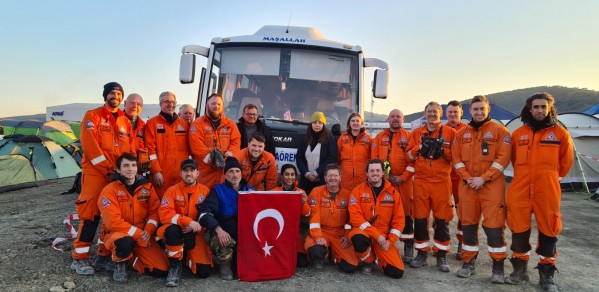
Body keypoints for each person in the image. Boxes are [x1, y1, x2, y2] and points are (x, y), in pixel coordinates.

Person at [505, 93, 574, 291]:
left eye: (544, 107)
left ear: (550, 109)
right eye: (536, 107)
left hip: (547, 188)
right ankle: (520, 270)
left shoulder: (561, 134)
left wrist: (550, 178)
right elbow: (514, 160)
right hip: (520, 187)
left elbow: (566, 162)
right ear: (529, 109)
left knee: (549, 229)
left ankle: (546, 275)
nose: (539, 110)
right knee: (518, 228)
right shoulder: (518, 134)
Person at [71, 82, 134, 275]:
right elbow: (91, 147)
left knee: (111, 216)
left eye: (118, 93)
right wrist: (108, 169)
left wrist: (128, 170)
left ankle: (103, 255)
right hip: (95, 174)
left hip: (116, 175)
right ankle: (79, 258)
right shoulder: (93, 116)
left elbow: (129, 149)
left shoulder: (125, 121)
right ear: (105, 96)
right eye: (112, 93)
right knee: (90, 215)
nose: (115, 96)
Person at [451, 95, 512, 283]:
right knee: (468, 225)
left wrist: (484, 178)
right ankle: (468, 263)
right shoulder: (461, 134)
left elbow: (503, 159)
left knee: (494, 227)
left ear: (488, 110)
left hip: (492, 187)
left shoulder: (500, 131)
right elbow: (456, 160)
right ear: (470, 111)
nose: (478, 112)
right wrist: (469, 179)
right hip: (468, 186)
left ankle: (498, 268)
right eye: (475, 109)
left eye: (481, 109)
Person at [97, 153, 169, 283]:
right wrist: (138, 234)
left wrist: (148, 230)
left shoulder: (147, 187)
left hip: (142, 233)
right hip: (118, 233)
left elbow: (155, 211)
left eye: (133, 165)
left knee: (161, 270)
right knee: (123, 242)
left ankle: (130, 260)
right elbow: (113, 222)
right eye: (126, 166)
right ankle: (119, 264)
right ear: (118, 169)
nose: (130, 169)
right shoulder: (109, 191)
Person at [406, 101, 457, 272]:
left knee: (442, 219)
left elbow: (457, 157)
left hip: (442, 181)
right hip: (421, 181)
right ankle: (421, 252)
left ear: (440, 113)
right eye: (429, 111)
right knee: (420, 219)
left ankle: (441, 255)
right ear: (425, 113)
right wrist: (419, 148)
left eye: (435, 111)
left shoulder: (450, 133)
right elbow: (408, 156)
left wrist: (442, 150)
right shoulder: (416, 133)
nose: (432, 114)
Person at [198, 157, 255, 280]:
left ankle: (243, 262)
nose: (235, 175)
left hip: (246, 232)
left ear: (241, 173)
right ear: (225, 175)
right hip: (226, 231)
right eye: (231, 171)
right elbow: (204, 214)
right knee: (221, 239)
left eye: (237, 171)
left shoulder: (250, 191)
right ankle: (225, 264)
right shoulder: (218, 191)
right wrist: (218, 230)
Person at [158, 159, 212, 286]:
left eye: (192, 170)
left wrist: (197, 227)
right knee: (171, 230)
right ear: (180, 174)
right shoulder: (172, 191)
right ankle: (175, 265)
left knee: (203, 272)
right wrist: (186, 222)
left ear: (197, 173)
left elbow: (209, 215)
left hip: (195, 234)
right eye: (185, 171)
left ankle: (186, 258)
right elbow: (164, 214)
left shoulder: (205, 191)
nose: (189, 174)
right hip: (176, 231)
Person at [371, 109, 415, 263]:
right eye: (392, 117)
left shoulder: (409, 137)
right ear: (388, 119)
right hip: (385, 183)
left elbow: (414, 162)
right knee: (386, 213)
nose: (395, 119)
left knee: (407, 214)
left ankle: (409, 245)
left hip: (404, 183)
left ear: (402, 119)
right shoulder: (379, 137)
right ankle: (387, 245)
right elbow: (374, 160)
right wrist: (382, 176)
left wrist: (402, 178)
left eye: (398, 117)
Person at [348, 159, 405, 278]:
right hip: (363, 232)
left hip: (384, 237)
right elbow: (356, 218)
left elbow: (399, 221)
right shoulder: (357, 191)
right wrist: (376, 235)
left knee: (397, 272)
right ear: (367, 173)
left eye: (378, 170)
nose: (375, 173)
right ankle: (368, 260)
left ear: (383, 172)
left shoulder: (393, 193)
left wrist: (390, 241)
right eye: (372, 171)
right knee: (358, 239)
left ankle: (377, 258)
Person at [304, 163, 358, 273]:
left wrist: (347, 236)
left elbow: (350, 220)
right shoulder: (316, 192)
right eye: (329, 176)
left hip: (339, 234)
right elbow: (314, 218)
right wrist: (318, 236)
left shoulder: (348, 195)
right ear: (325, 178)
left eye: (335, 175)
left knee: (350, 267)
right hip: (321, 231)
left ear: (340, 177)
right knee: (317, 251)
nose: (332, 178)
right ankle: (322, 255)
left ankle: (333, 253)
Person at [144, 91, 191, 197]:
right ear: (160, 104)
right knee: (161, 205)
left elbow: (191, 149)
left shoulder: (183, 125)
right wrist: (155, 171)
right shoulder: (152, 123)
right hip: (162, 175)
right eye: (166, 101)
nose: (170, 104)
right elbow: (150, 151)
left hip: (181, 175)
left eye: (173, 102)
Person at [190, 93, 241, 188]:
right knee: (204, 200)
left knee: (224, 199)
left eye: (219, 104)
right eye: (213, 104)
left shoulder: (230, 124)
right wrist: (211, 158)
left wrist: (227, 157)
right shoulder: (197, 124)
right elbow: (196, 146)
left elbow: (236, 141)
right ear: (207, 105)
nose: (216, 106)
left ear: (222, 107)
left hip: (225, 173)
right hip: (205, 174)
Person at [270, 164, 310, 267]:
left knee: (302, 263)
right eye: (286, 174)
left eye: (292, 174)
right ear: (282, 176)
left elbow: (307, 214)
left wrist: (303, 203)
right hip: (278, 231)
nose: (290, 177)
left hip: (294, 232)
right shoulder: (273, 192)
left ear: (295, 176)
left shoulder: (300, 192)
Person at [296, 112, 338, 194]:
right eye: (315, 122)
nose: (317, 125)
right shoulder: (305, 139)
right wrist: (306, 173)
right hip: (305, 182)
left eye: (320, 123)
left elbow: (332, 158)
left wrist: (317, 173)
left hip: (321, 181)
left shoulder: (329, 139)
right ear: (311, 124)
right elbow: (299, 158)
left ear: (323, 124)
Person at [445, 100, 466, 260]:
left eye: (455, 112)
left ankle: (462, 244)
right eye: (450, 112)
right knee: (443, 212)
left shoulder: (467, 131)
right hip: (443, 177)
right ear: (446, 113)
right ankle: (443, 244)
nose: (453, 115)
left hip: (461, 178)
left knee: (464, 212)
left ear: (461, 113)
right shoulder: (441, 130)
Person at [337, 112, 372, 192]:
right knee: (345, 201)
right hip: (346, 178)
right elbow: (337, 157)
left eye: (357, 121)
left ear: (361, 123)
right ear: (349, 123)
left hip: (363, 177)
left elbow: (372, 158)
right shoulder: (342, 138)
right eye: (353, 121)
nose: (355, 123)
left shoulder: (368, 139)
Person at [123, 93, 149, 175]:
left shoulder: (144, 126)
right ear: (124, 103)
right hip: (119, 171)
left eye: (139, 104)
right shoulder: (116, 122)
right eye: (132, 103)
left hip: (137, 173)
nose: (135, 107)